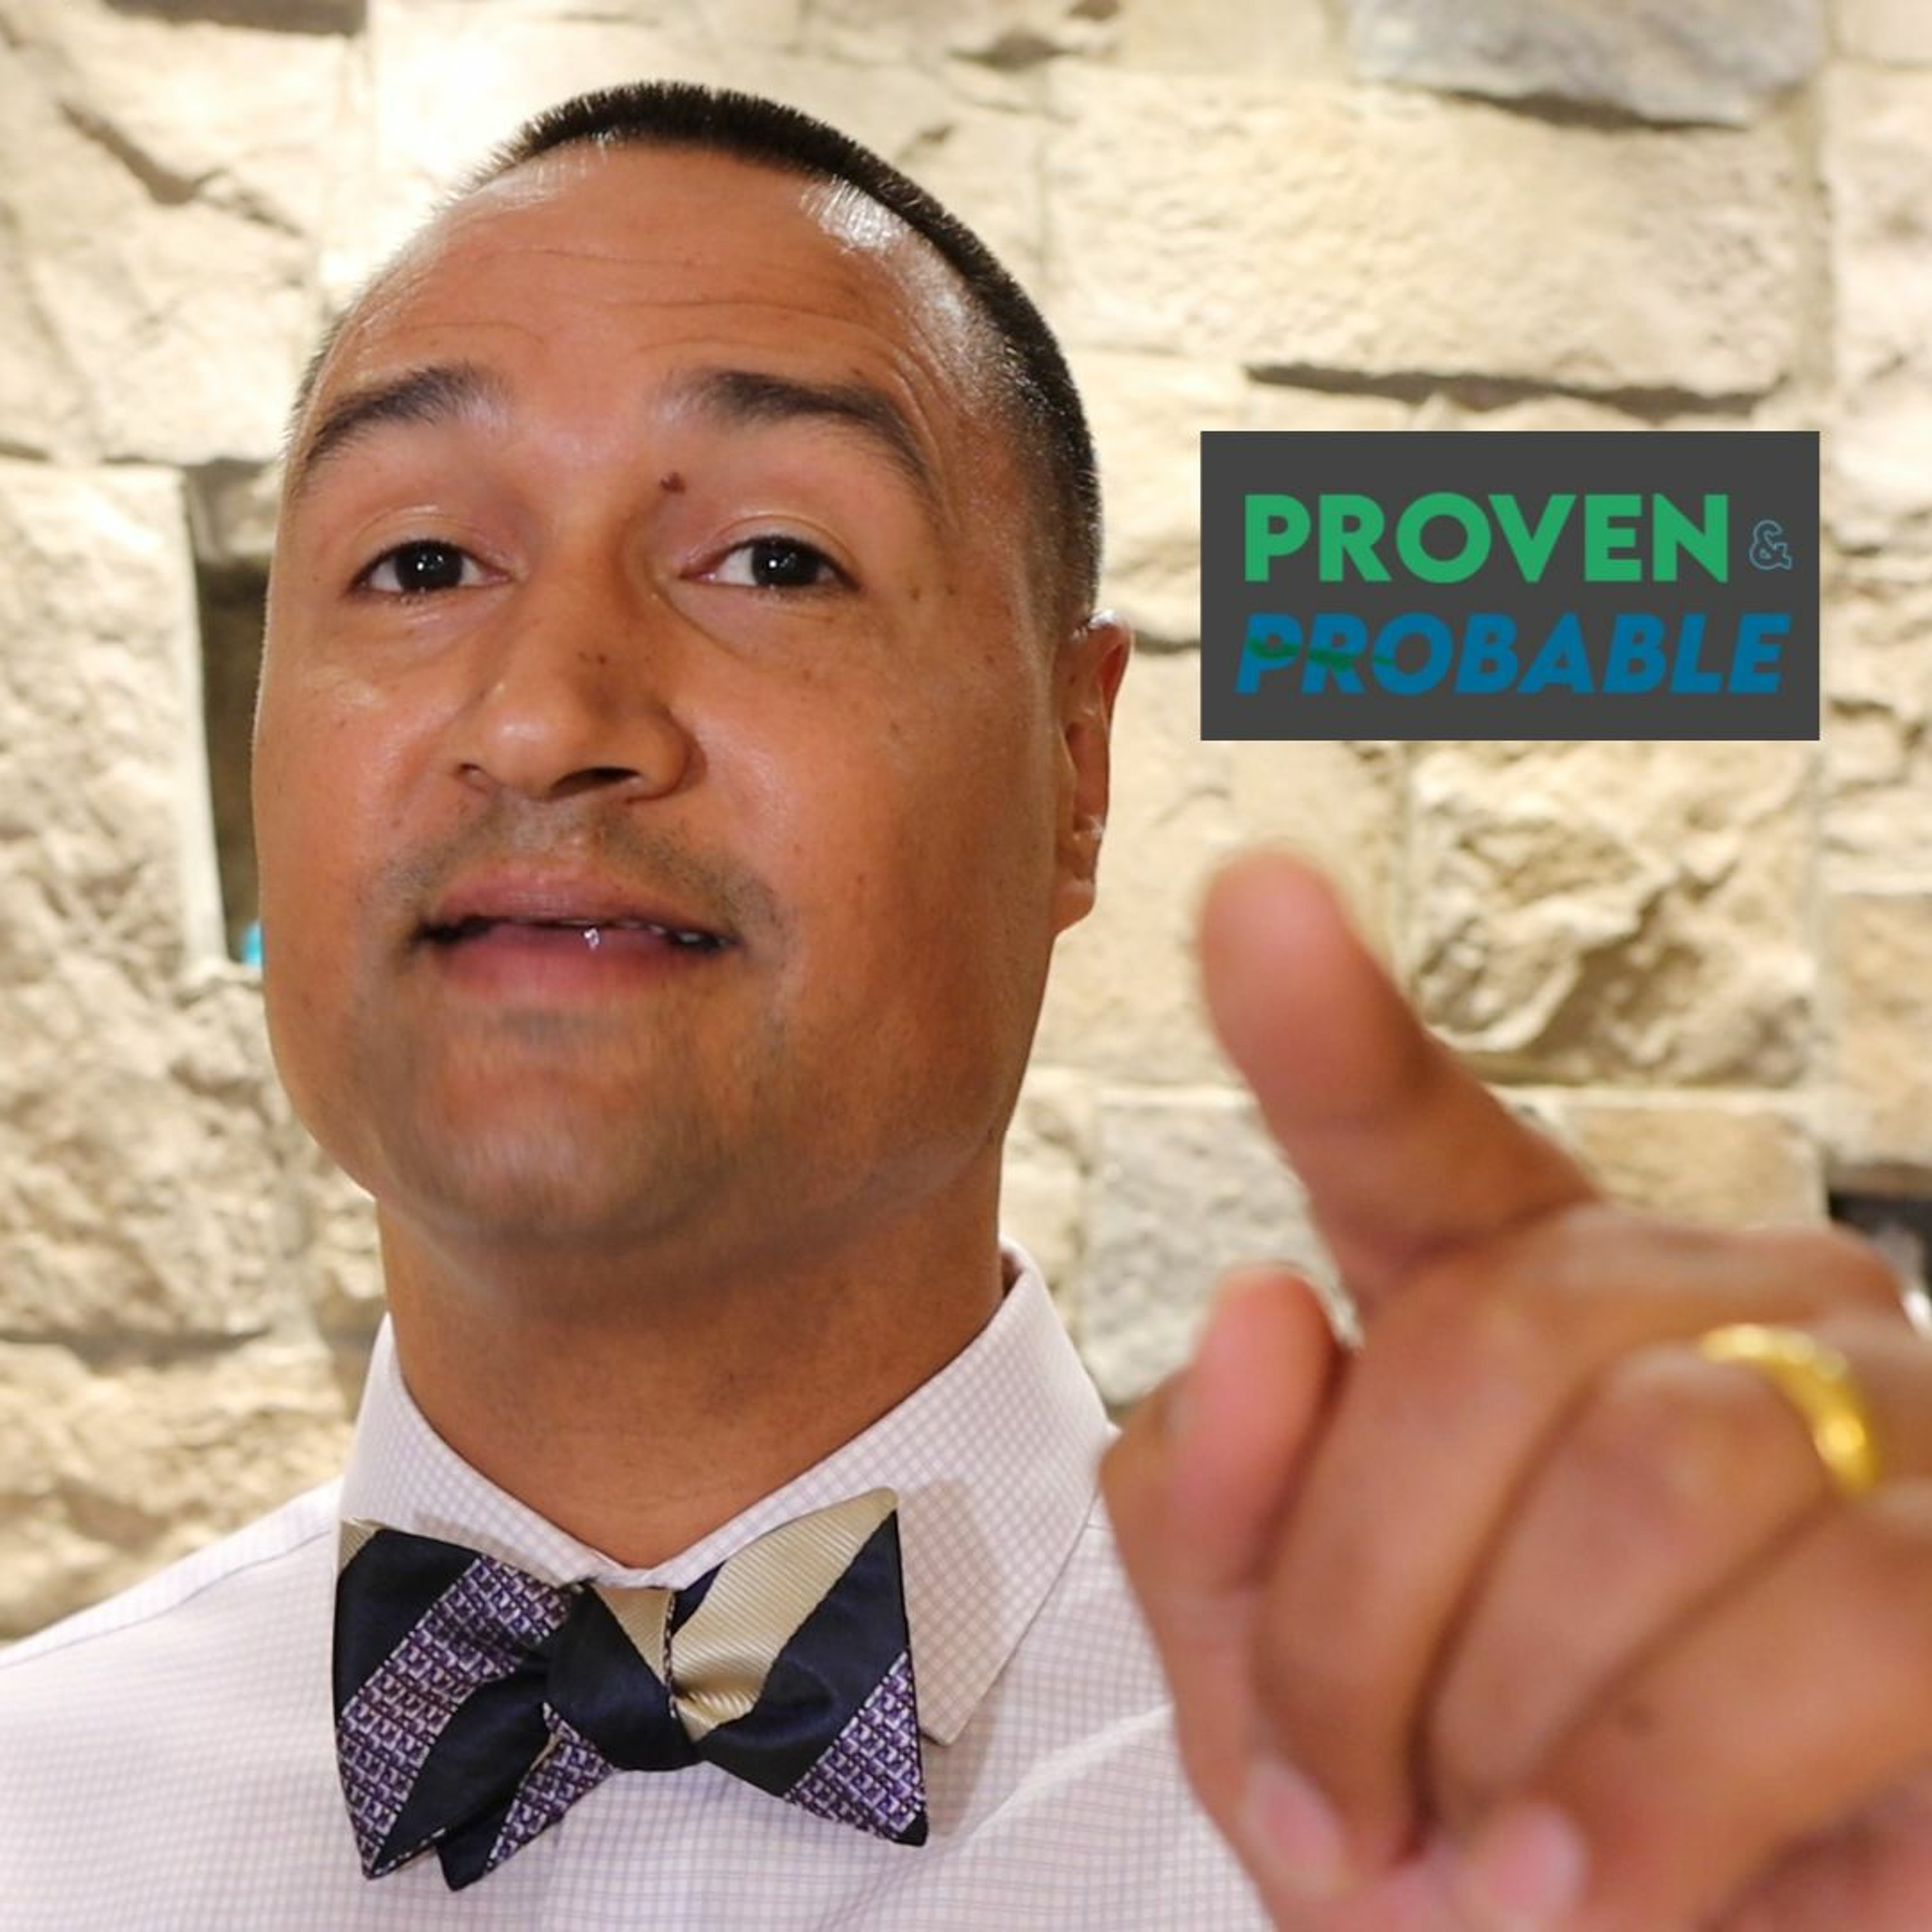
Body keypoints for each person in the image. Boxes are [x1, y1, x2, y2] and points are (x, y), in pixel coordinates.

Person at [1, 79, 1927, 1932]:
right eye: (419, 561)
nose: (544, 717)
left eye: (777, 560)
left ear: (1075, 770)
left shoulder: (1558, 1817)